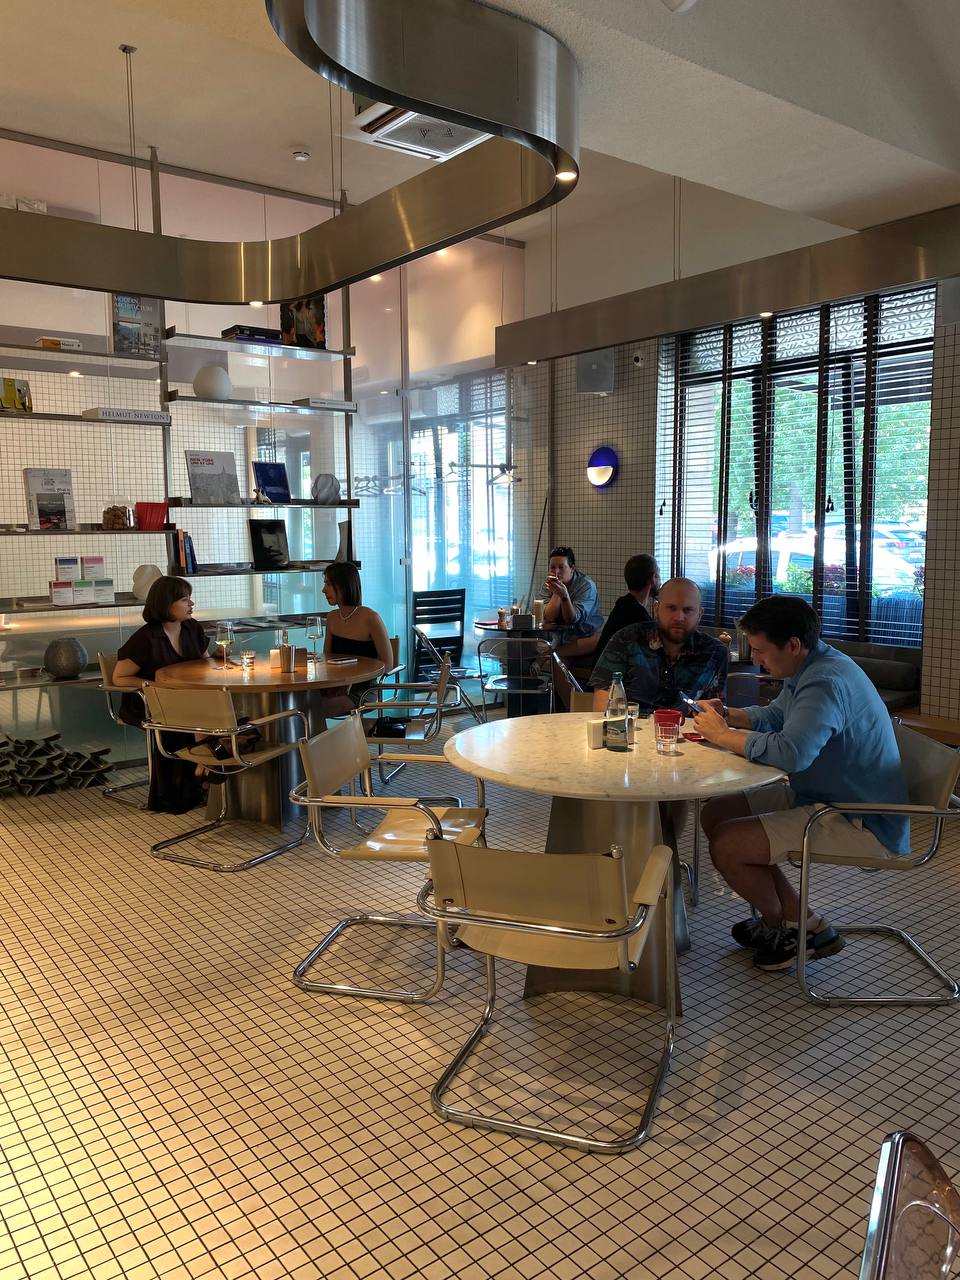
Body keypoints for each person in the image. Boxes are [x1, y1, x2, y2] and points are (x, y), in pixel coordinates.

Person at [693, 595, 909, 973]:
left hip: (858, 815)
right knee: (717, 813)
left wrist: (723, 735)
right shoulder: (811, 664)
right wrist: (730, 715)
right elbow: (778, 715)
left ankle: (785, 928)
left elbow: (792, 753)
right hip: (822, 791)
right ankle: (803, 921)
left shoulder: (825, 682)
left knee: (728, 844)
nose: (756, 658)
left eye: (761, 650)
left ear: (792, 645)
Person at [113, 575, 211, 814]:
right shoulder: (146, 638)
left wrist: (220, 657)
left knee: (219, 707)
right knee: (203, 711)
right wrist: (156, 686)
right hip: (148, 703)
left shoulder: (192, 628)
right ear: (167, 604)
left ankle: (207, 764)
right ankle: (206, 764)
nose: (191, 604)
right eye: (185, 599)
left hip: (186, 699)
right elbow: (119, 677)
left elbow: (205, 663)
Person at [589, 576, 727, 713]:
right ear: (656, 609)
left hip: (687, 727)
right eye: (671, 608)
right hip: (632, 725)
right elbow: (603, 707)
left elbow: (715, 712)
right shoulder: (626, 639)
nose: (679, 617)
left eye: (687, 610)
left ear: (700, 614)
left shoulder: (715, 652)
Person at [320, 562, 395, 713]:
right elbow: (327, 659)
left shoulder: (370, 618)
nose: (323, 590)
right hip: (337, 685)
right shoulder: (332, 617)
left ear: (343, 586)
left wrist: (353, 678)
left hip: (363, 690)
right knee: (298, 701)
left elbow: (387, 664)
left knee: (311, 708)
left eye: (328, 584)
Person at [540, 545, 604, 657]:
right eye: (552, 567)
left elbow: (572, 619)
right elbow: (549, 617)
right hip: (560, 637)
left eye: (561, 567)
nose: (556, 572)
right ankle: (548, 656)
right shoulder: (549, 584)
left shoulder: (586, 585)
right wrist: (556, 593)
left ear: (572, 569)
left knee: (556, 659)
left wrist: (564, 595)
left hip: (586, 636)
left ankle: (548, 656)